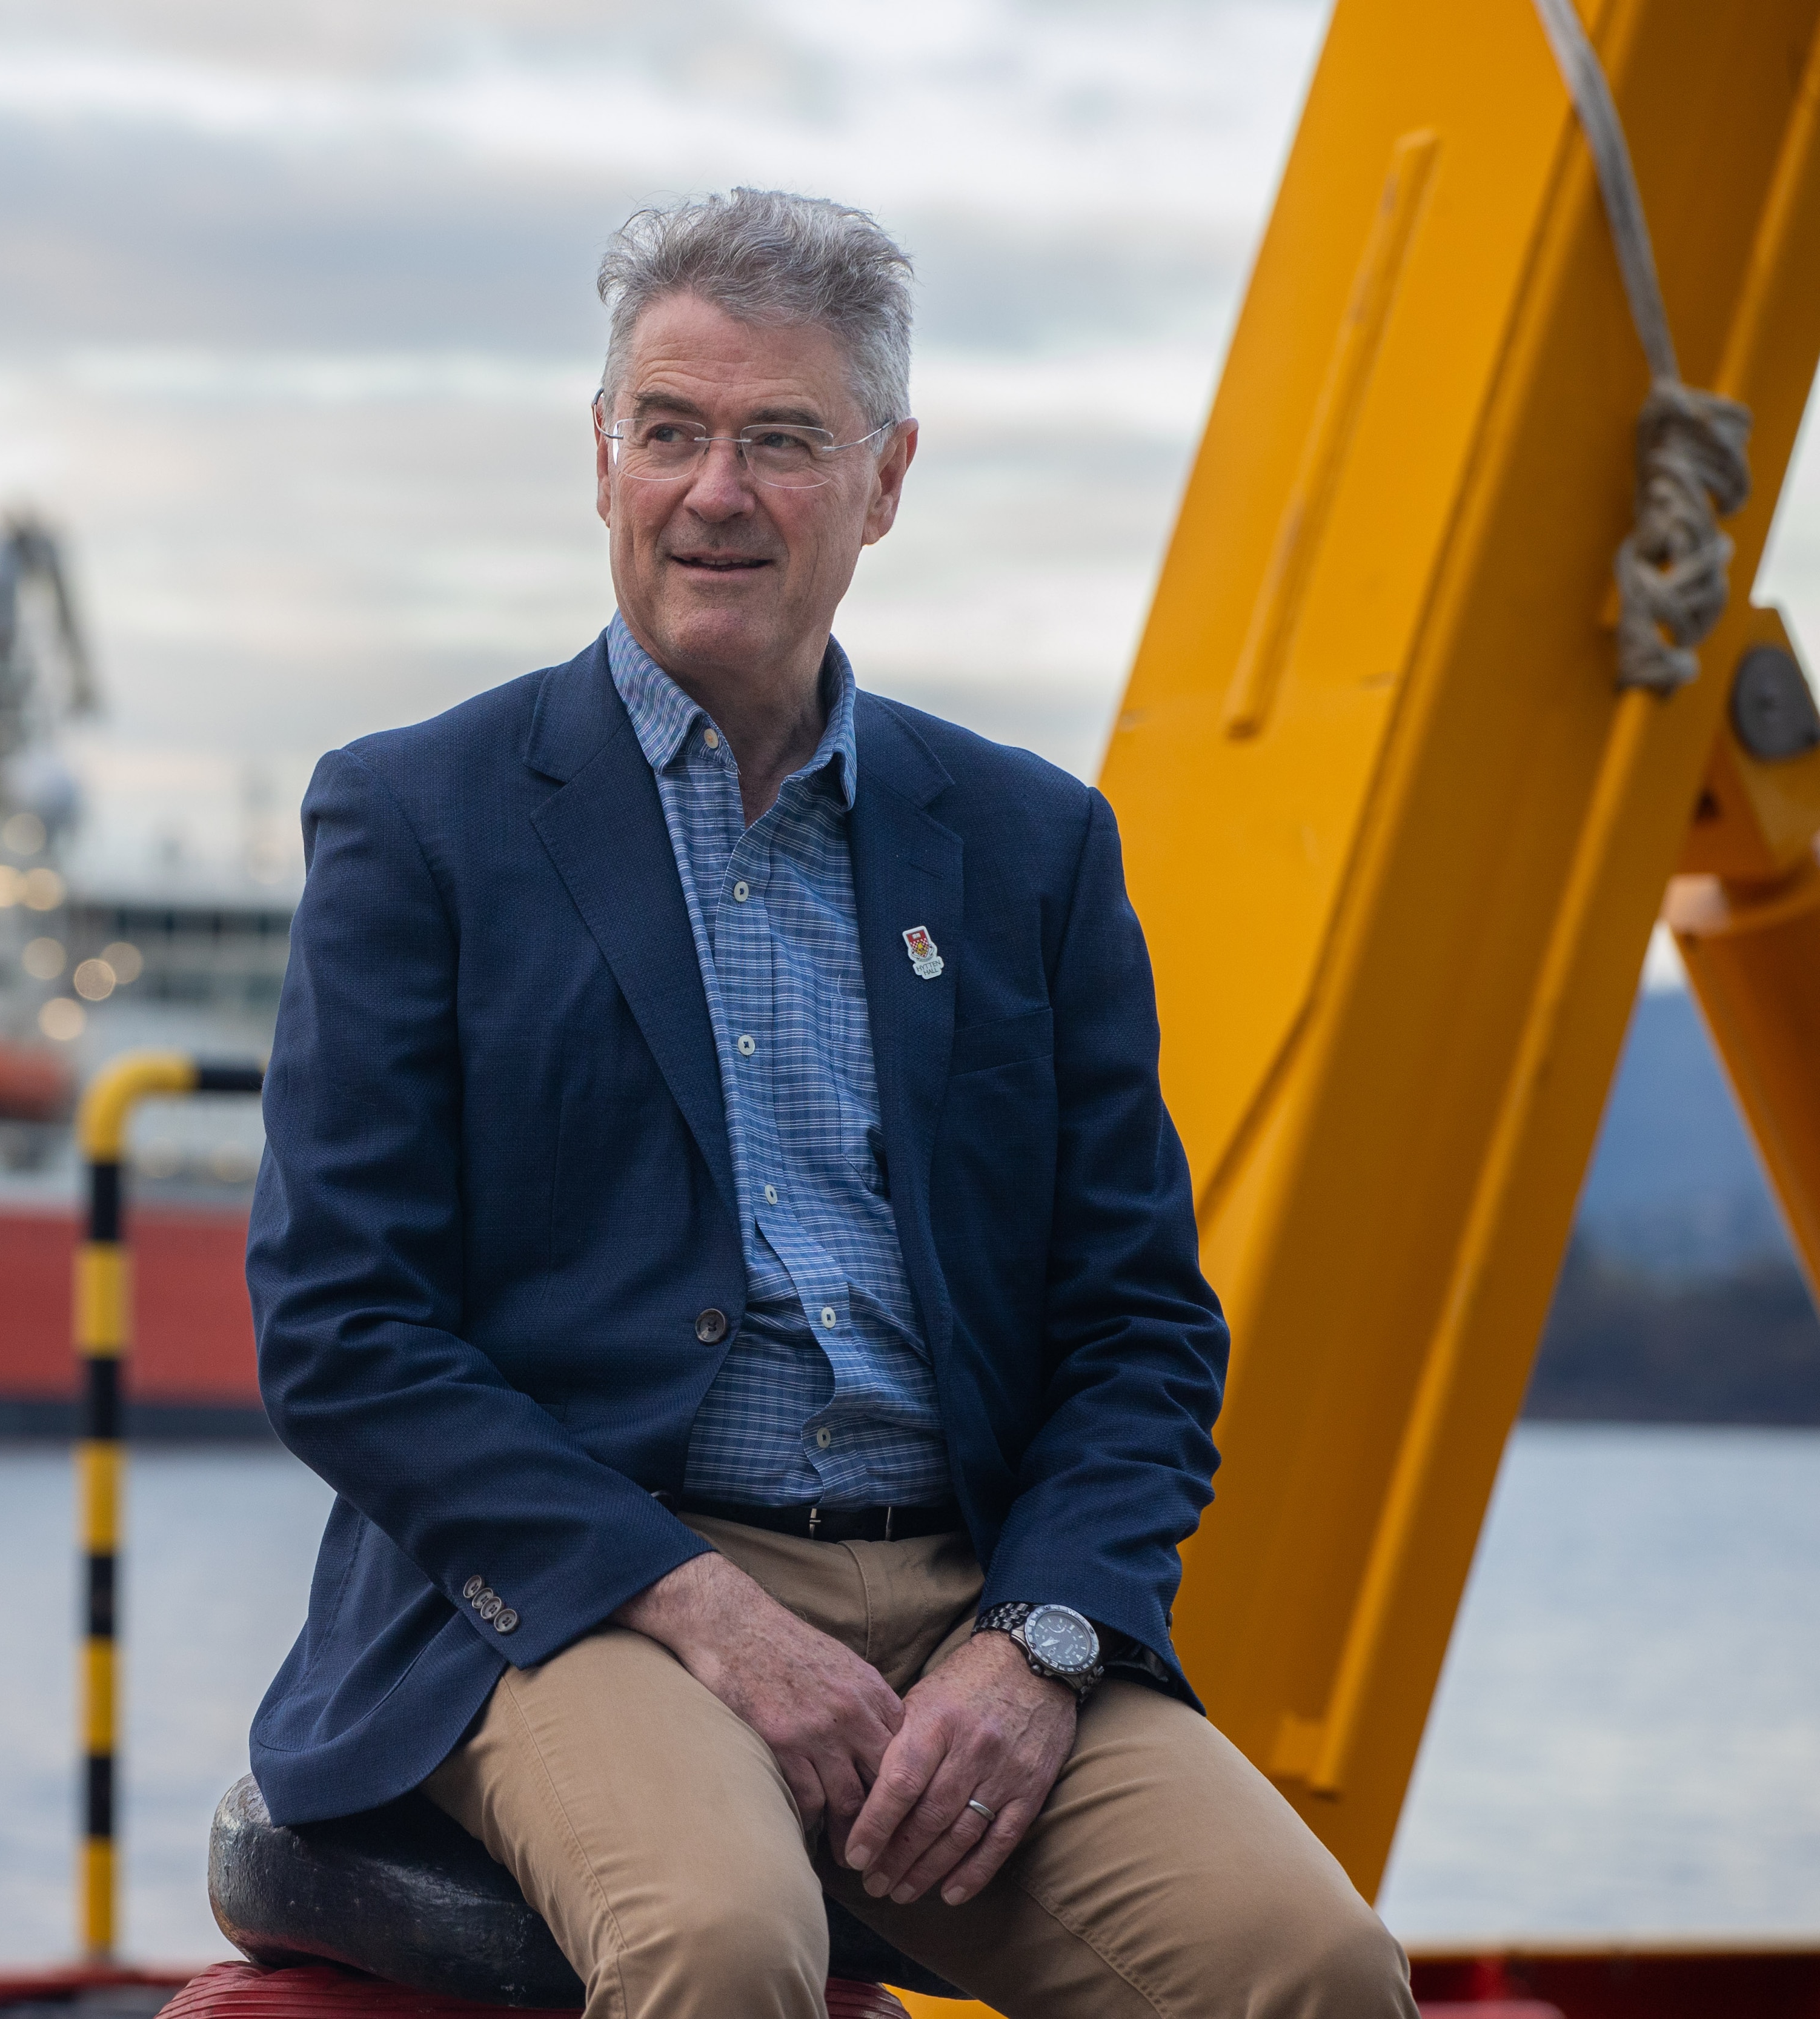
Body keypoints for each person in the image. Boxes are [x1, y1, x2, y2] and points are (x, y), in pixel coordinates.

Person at [243, 189, 1416, 2019]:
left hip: (967, 1600)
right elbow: (343, 1333)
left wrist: (1038, 1645)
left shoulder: (1029, 846)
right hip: (589, 1594)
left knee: (1311, 1968)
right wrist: (707, 1611)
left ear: (884, 481)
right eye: (673, 431)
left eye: (783, 440)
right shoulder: (422, 820)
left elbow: (1135, 1330)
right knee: (723, 1951)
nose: (717, 490)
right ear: (604, 456)